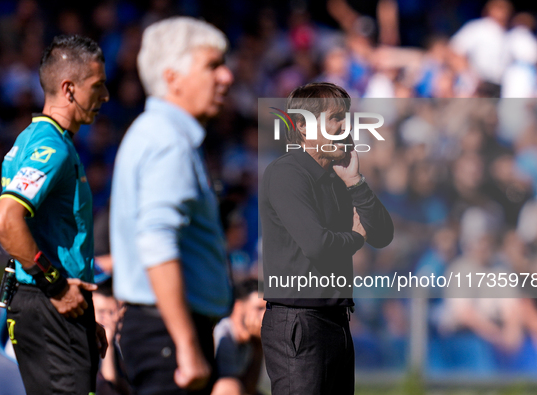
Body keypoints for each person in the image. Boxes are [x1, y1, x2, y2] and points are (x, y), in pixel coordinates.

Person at [110, 17, 233, 394]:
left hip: (160, 331)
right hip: (166, 335)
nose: (226, 77)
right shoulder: (168, 141)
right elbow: (157, 241)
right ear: (173, 77)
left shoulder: (158, 133)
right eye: (212, 65)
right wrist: (185, 344)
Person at [0, 34, 110, 394]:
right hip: (47, 305)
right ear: (69, 88)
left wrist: (83, 314)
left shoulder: (31, 137)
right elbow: (4, 219)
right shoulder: (50, 146)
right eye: (98, 86)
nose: (105, 97)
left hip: (53, 308)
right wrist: (56, 286)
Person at [259, 82, 394, 394]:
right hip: (300, 322)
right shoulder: (286, 173)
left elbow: (384, 234)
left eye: (345, 117)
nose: (345, 126)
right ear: (303, 126)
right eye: (335, 118)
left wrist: (357, 183)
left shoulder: (338, 176)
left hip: (335, 320)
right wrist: (356, 238)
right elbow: (318, 245)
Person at [212, 279, 266, 395]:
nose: (265, 316)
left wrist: (258, 346)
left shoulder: (248, 341)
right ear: (239, 307)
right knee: (230, 387)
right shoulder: (224, 334)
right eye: (259, 308)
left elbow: (250, 388)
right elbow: (239, 388)